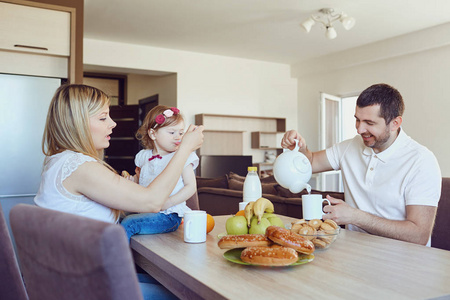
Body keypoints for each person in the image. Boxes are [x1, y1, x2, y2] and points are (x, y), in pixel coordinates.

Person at [34, 84, 204, 299]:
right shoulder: (79, 166)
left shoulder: (59, 160)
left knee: (175, 282)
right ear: (77, 122)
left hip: (70, 277)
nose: (113, 124)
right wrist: (185, 149)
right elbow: (152, 202)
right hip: (85, 287)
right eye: (103, 118)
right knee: (191, 293)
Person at [281, 83, 441, 246]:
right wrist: (301, 148)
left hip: (404, 263)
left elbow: (419, 235)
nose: (359, 129)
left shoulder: (421, 161)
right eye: (357, 120)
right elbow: (312, 163)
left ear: (395, 123)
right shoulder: (350, 147)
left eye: (369, 123)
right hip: (355, 251)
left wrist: (355, 217)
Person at [120, 105, 198, 241]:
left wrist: (169, 202)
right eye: (171, 132)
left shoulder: (183, 156)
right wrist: (131, 180)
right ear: (153, 134)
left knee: (129, 223)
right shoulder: (143, 156)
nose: (178, 137)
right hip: (145, 209)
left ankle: (118, 262)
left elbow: (191, 186)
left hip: (169, 215)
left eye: (180, 133)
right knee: (115, 216)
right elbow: (140, 181)